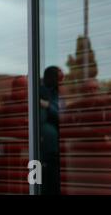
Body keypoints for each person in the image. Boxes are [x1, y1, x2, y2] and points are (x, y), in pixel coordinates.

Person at [40, 66, 64, 195]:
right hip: (45, 149)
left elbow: (61, 113)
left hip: (54, 150)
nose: (61, 81)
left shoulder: (58, 93)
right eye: (58, 78)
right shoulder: (40, 91)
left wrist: (48, 105)